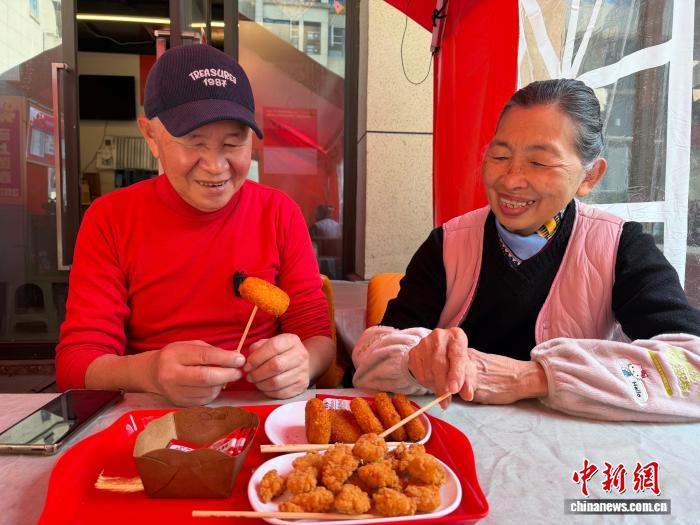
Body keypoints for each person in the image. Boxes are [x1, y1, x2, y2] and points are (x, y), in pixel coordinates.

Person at [352, 79, 700, 421]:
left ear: (589, 176)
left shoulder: (619, 247)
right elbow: (371, 353)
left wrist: (533, 377)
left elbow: (691, 367)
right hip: (455, 445)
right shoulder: (448, 244)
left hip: (575, 450)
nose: (510, 180)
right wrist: (413, 361)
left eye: (539, 162)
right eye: (500, 155)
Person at [56, 44, 335, 406]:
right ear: (151, 136)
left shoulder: (279, 213)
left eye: (233, 143)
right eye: (194, 142)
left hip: (261, 409)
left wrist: (302, 363)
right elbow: (76, 363)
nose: (216, 166)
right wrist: (149, 372)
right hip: (155, 413)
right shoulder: (110, 218)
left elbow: (317, 336)